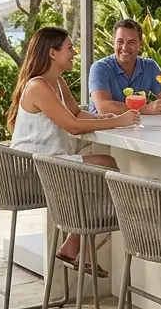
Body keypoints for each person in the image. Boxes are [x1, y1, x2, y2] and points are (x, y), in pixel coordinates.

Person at [8, 26, 141, 276]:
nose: (75, 53)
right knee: (106, 166)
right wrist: (119, 120)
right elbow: (73, 126)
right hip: (33, 170)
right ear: (52, 53)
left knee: (104, 167)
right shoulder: (38, 86)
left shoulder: (56, 82)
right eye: (69, 48)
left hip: (51, 162)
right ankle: (78, 246)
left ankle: (74, 244)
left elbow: (77, 113)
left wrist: (103, 118)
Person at [88, 19, 161, 116]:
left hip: (138, 124)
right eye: (120, 41)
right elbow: (103, 108)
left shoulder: (150, 66)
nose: (125, 47)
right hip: (103, 125)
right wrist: (145, 109)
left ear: (140, 44)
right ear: (113, 43)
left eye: (131, 42)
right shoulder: (100, 68)